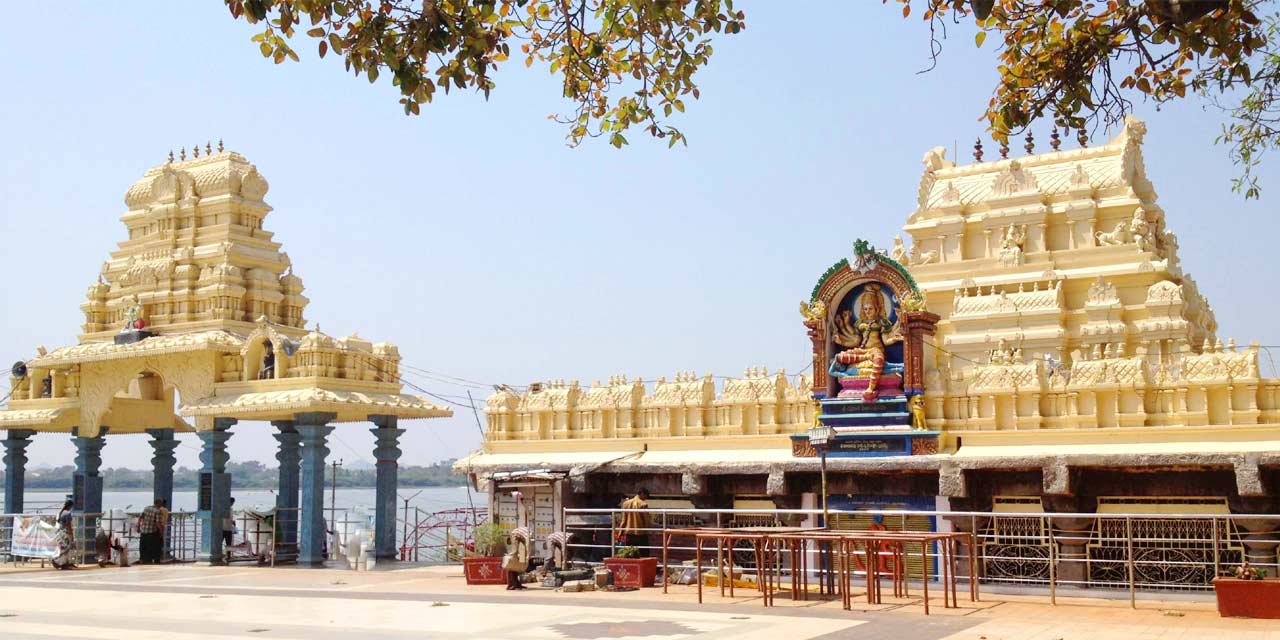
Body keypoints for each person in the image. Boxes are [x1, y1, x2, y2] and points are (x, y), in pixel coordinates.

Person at [617, 488, 650, 557]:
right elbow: (646, 520)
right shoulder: (643, 504)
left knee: (630, 553)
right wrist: (649, 531)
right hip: (641, 533)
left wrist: (620, 533)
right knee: (644, 554)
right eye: (646, 496)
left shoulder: (626, 504)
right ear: (642, 494)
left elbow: (623, 520)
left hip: (629, 533)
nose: (646, 498)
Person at [137, 499, 165, 564]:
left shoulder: (146, 508)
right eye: (161, 504)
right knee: (152, 547)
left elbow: (140, 517)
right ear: (159, 504)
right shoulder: (158, 511)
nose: (162, 505)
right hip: (151, 532)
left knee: (143, 546)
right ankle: (150, 560)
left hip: (143, 530)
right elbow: (158, 523)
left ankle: (143, 559)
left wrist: (138, 527)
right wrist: (161, 531)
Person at [52, 499, 77, 570]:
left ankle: (66, 563)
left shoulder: (60, 513)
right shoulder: (68, 513)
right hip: (66, 533)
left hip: (60, 533)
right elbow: (69, 526)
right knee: (67, 550)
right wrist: (72, 536)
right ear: (70, 506)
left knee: (63, 549)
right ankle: (61, 564)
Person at [505, 526, 531, 590]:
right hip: (515, 535)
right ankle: (512, 584)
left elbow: (526, 547)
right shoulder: (527, 536)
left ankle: (517, 584)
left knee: (518, 563)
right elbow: (528, 546)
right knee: (514, 553)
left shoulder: (527, 535)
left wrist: (525, 556)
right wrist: (528, 556)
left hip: (520, 536)